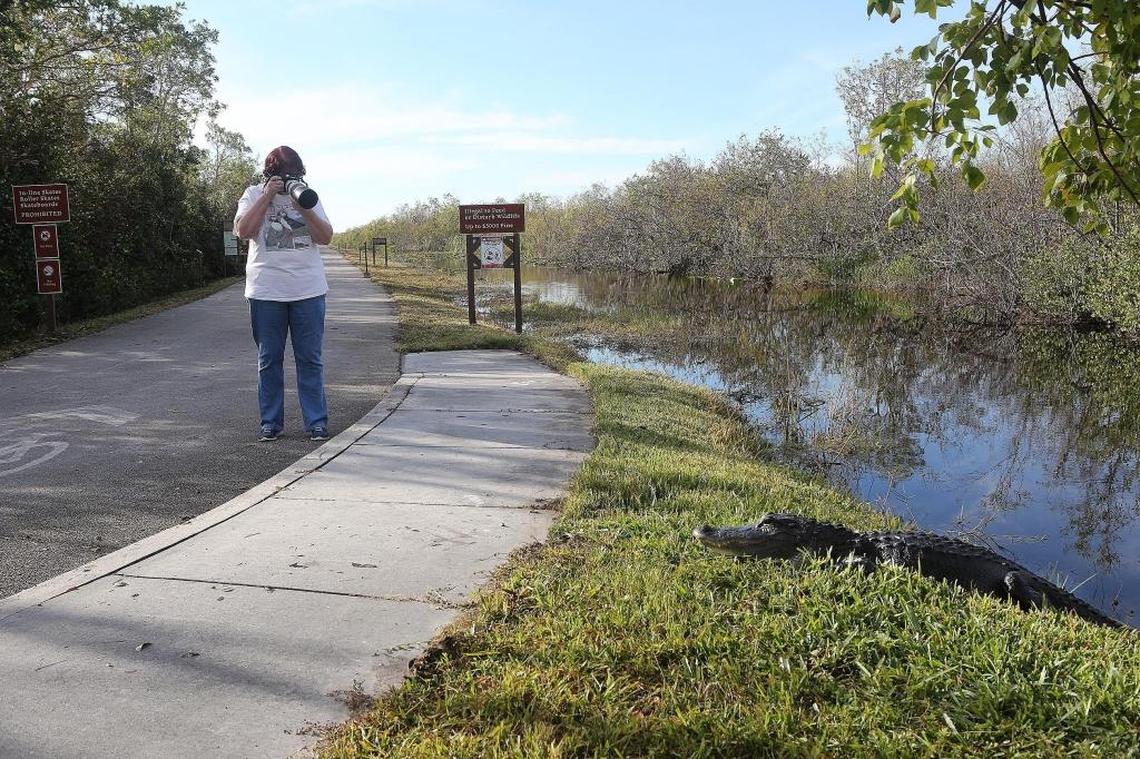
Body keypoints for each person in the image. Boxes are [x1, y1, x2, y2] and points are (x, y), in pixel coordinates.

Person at [234, 145, 334, 442]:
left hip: (308, 290)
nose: (289, 179)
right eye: (283, 175)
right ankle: (271, 423)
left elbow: (325, 237)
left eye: (294, 174)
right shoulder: (252, 193)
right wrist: (267, 196)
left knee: (310, 360)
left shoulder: (306, 194)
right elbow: (243, 231)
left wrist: (302, 205)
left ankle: (316, 422)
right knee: (269, 360)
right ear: (270, 174)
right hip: (266, 291)